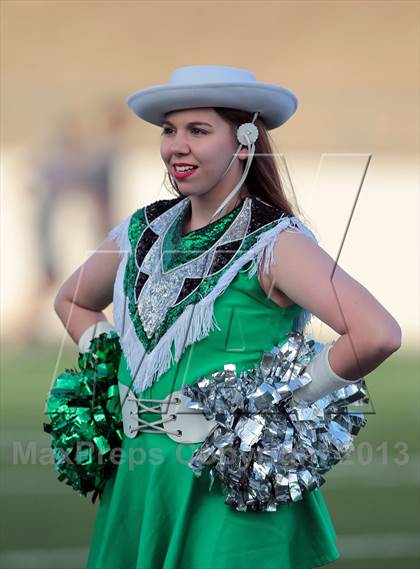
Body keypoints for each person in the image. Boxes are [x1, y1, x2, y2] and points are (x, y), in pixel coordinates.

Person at [54, 65, 401, 569]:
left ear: (244, 142)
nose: (177, 146)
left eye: (198, 131)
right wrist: (113, 377)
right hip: (139, 479)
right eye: (169, 131)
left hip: (227, 484)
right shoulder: (141, 231)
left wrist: (269, 408)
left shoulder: (276, 242)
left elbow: (378, 334)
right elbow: (72, 301)